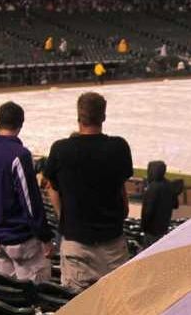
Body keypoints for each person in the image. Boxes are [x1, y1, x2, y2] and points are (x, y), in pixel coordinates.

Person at [43, 92, 133, 291]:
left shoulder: (61, 150)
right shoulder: (118, 147)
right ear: (103, 117)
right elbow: (121, 188)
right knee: (116, 310)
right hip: (112, 245)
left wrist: (63, 217)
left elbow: (51, 187)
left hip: (76, 244)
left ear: (79, 117)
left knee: (78, 312)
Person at [0, 101, 53, 283]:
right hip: (20, 240)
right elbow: (30, 201)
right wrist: (45, 236)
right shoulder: (19, 154)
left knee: (10, 293)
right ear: (20, 124)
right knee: (34, 294)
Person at [140, 160, 179, 247]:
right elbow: (175, 204)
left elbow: (148, 211)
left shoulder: (153, 187)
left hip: (151, 230)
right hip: (164, 227)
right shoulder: (169, 185)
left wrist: (143, 226)